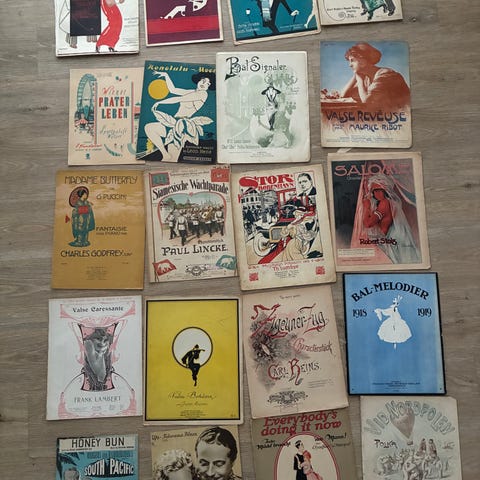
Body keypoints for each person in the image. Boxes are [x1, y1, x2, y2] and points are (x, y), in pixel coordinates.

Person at [144, 72, 215, 162]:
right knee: (149, 128)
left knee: (172, 158)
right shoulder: (191, 92)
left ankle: (166, 155)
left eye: (207, 83)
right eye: (203, 81)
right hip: (174, 122)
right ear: (199, 80)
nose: (203, 84)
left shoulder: (203, 94)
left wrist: (160, 102)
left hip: (182, 126)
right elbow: (173, 90)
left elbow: (179, 99)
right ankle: (165, 154)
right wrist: (166, 75)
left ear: (209, 86)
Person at [358, 174, 420, 264]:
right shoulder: (391, 203)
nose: (377, 193)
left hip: (391, 245)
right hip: (392, 243)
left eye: (380, 190)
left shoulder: (384, 203)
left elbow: (368, 224)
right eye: (375, 190)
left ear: (386, 190)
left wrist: (367, 207)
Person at [340, 42, 410, 111]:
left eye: (352, 60)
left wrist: (359, 79)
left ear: (363, 61)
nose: (350, 65)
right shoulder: (367, 78)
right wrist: (356, 75)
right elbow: (343, 95)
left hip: (403, 113)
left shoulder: (385, 75)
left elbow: (367, 102)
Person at [81, 326, 115, 391]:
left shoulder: (107, 358)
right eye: (98, 339)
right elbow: (99, 373)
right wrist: (100, 354)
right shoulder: (88, 345)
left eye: (105, 340)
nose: (102, 343)